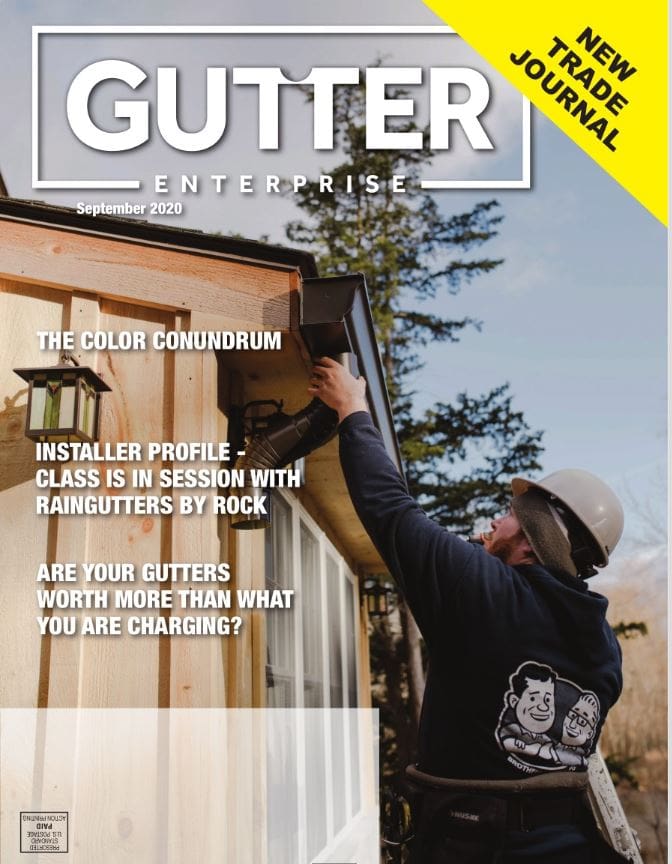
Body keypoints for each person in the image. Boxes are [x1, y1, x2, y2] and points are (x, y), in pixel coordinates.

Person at [308, 357, 627, 863]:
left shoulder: (486, 593)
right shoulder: (604, 645)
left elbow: (390, 508)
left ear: (532, 539)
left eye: (505, 518)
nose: (491, 526)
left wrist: (352, 406)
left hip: (474, 845)